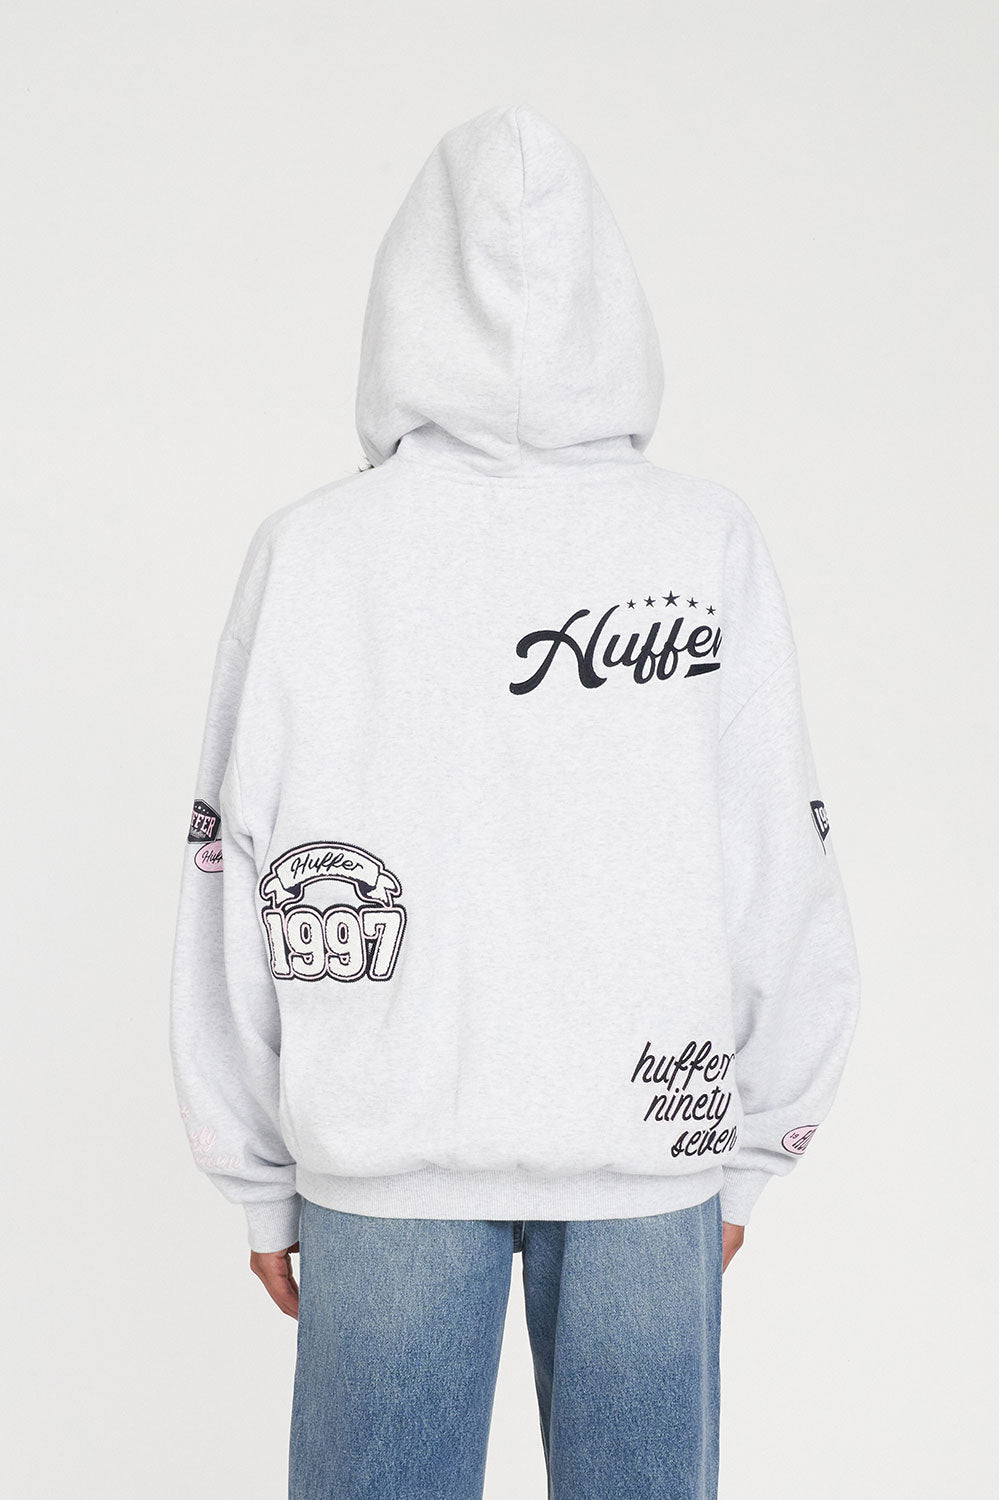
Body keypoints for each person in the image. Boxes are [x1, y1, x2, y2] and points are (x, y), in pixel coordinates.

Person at [169, 102, 862, 1500]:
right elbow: (777, 863)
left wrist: (257, 1168)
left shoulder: (315, 553)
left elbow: (234, 869)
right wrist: (748, 1147)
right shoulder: (702, 540)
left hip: (387, 1150)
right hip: (651, 1148)